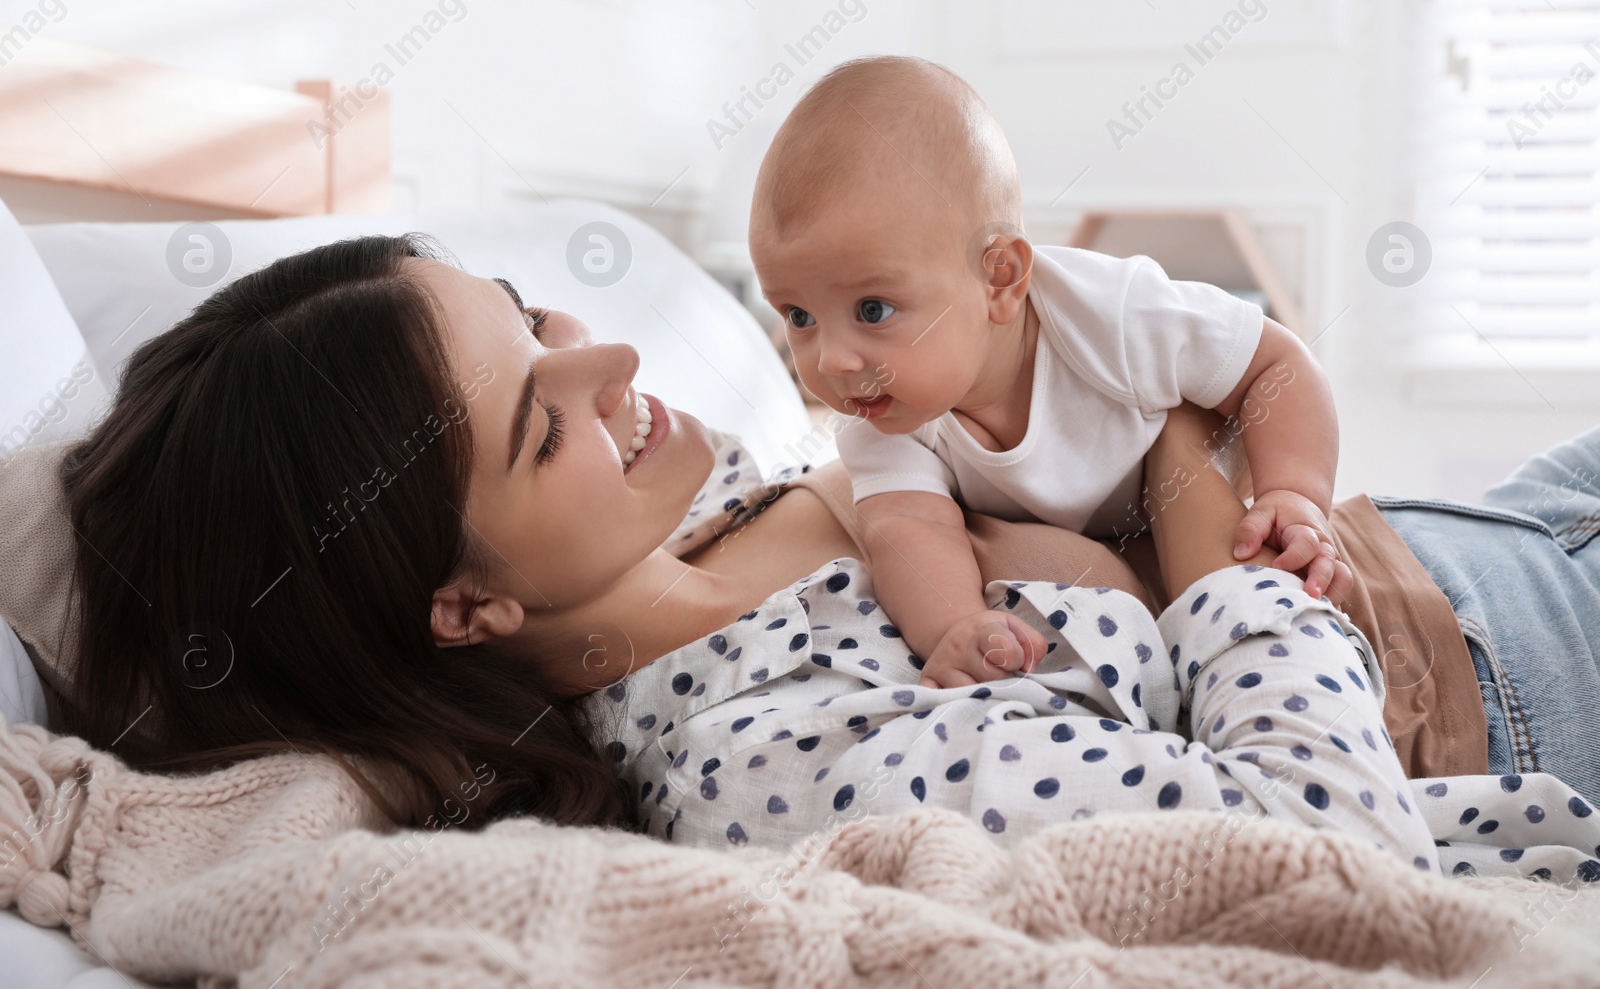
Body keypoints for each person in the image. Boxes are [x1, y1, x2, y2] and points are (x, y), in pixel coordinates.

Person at [8, 235, 1592, 881]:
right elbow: (1316, 833)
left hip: (1466, 527)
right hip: (1493, 678)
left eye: (536, 316)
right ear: (467, 602)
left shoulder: (714, 502)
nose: (612, 354)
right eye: (541, 420)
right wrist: (1228, 567)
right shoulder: (772, 750)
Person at [748, 56, 1351, 691]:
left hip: (1200, 501)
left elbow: (1279, 364)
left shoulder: (1114, 316)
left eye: (873, 310)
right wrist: (956, 625)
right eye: (799, 314)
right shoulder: (885, 416)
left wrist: (1296, 493)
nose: (831, 360)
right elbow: (909, 530)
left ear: (999, 279)